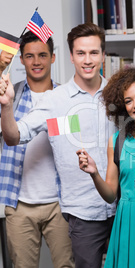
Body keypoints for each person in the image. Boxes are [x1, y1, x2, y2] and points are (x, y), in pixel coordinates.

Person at [0, 22, 116, 268]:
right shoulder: (55, 101)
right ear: (71, 56)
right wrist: (7, 106)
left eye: (94, 52)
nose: (87, 59)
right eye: (80, 53)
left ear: (103, 56)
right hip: (78, 212)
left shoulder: (118, 93)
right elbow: (14, 136)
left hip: (121, 206)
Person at [77, 66, 135, 267]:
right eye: (128, 101)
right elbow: (110, 194)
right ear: (121, 106)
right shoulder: (117, 142)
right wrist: (94, 174)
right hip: (128, 222)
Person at [0, 31, 74, 268]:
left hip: (61, 203)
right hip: (19, 203)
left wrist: (38, 125)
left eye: (43, 55)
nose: (37, 62)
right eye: (29, 56)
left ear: (53, 58)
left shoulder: (67, 98)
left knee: (67, 265)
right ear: (21, 59)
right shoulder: (8, 96)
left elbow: (73, 136)